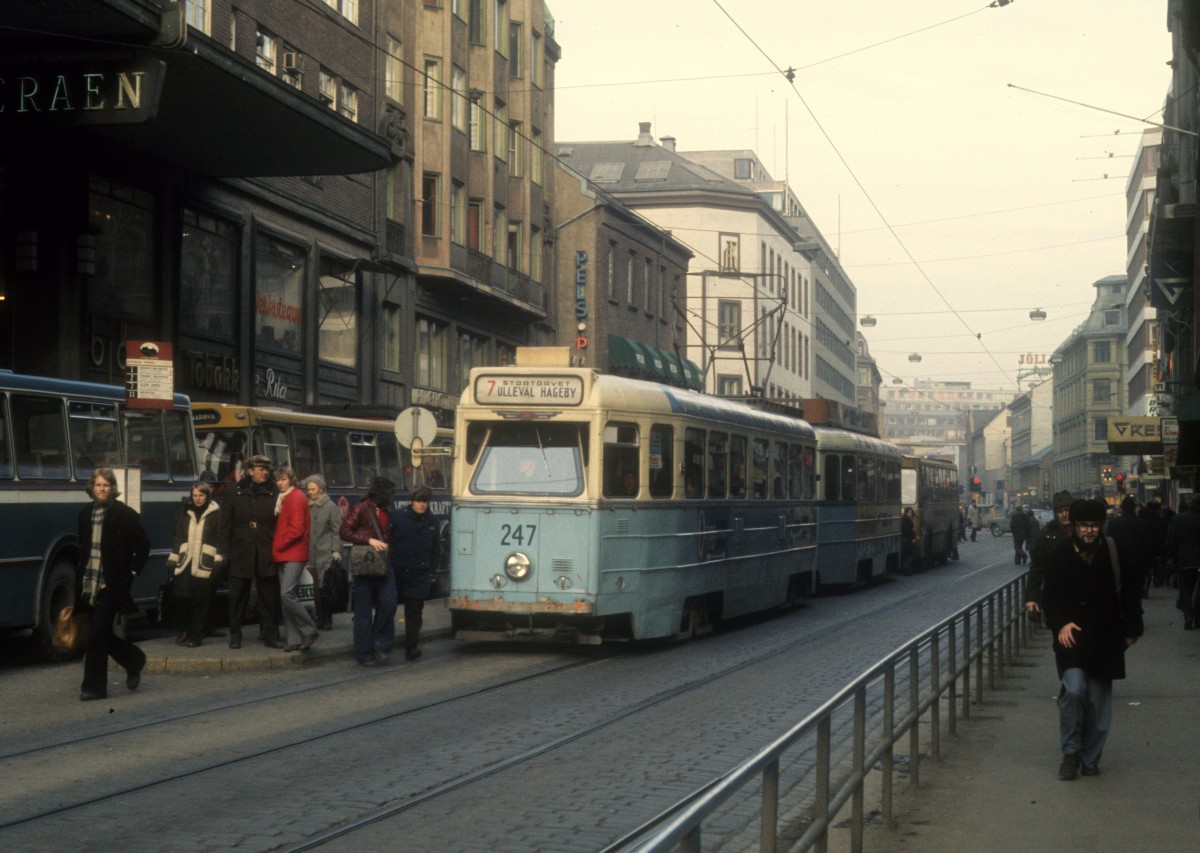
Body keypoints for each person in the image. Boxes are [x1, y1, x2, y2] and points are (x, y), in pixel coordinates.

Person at [1041, 499, 1143, 780]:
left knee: (1099, 702)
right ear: (1074, 527)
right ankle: (1071, 753)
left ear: (1101, 526)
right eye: (1084, 525)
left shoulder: (1114, 552)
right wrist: (1060, 623)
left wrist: (1133, 629)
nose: (1089, 530)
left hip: (1106, 637)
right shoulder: (1060, 553)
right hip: (1072, 638)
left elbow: (1131, 589)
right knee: (1073, 691)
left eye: (1094, 525)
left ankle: (1090, 758)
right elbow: (1049, 596)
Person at [76, 468, 149, 701]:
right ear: (92, 488)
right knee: (100, 633)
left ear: (113, 488)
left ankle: (93, 688)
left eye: (106, 485)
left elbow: (143, 544)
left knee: (97, 635)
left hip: (112, 584)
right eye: (98, 485)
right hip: (89, 582)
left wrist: (132, 572)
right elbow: (84, 548)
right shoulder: (85, 514)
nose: (102, 489)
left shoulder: (124, 514)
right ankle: (133, 660)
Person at [219, 454, 284, 650]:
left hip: (266, 548)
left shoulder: (274, 491)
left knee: (269, 596)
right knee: (238, 595)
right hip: (241, 549)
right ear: (250, 470)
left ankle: (270, 635)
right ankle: (236, 635)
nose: (265, 472)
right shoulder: (234, 491)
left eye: (267, 468)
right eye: (260, 468)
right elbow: (225, 524)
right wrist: (224, 551)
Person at [341, 476, 397, 666]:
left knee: (389, 601)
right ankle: (365, 653)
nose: (392, 497)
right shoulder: (362, 508)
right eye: (391, 493)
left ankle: (381, 643)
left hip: (384, 561)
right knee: (363, 610)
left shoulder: (386, 510)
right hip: (366, 562)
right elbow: (345, 531)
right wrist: (369, 540)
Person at [389, 485, 443, 661]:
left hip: (419, 573)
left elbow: (436, 549)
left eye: (425, 502)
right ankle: (384, 643)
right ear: (412, 501)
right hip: (398, 571)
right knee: (388, 608)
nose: (422, 505)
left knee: (414, 612)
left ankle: (411, 647)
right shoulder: (398, 517)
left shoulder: (433, 522)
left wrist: (430, 569)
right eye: (419, 501)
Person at [167, 482, 224, 647]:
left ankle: (195, 637)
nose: (198, 499)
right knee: (181, 595)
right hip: (186, 560)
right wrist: (173, 557)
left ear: (207, 496)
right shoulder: (186, 512)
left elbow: (221, 538)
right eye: (195, 496)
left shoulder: (216, 513)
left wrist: (218, 559)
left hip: (205, 562)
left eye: (201, 495)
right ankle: (186, 629)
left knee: (201, 600)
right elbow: (178, 536)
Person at [274, 467, 317, 652]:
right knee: (287, 598)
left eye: (283, 479)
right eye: (278, 480)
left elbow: (297, 529)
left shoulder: (295, 497)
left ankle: (309, 629)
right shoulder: (286, 497)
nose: (280, 483)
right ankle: (294, 639)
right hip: (286, 553)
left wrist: (279, 544)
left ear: (290, 480)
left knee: (287, 594)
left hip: (292, 553)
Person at [1026, 490, 1075, 619]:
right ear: (1055, 513)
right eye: (1060, 511)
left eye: (1067, 510)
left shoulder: (1084, 530)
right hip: (1057, 597)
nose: (1064, 514)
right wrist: (1032, 598)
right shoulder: (1046, 535)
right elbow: (1036, 568)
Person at [304, 474, 343, 631]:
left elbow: (336, 530)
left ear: (321, 489)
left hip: (325, 553)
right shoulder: (306, 505)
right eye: (308, 489)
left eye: (313, 489)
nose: (310, 492)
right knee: (313, 588)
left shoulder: (330, 506)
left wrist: (336, 550)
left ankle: (327, 619)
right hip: (309, 553)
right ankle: (317, 618)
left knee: (325, 587)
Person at [1107, 496, 1154, 605]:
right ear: (1133, 508)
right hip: (1137, 565)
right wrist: (1149, 566)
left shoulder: (1114, 523)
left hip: (1120, 565)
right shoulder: (1141, 523)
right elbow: (1148, 546)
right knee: (1136, 593)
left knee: (1122, 593)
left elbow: (1109, 544)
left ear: (1122, 508)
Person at [1166, 495, 1200, 630]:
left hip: (1184, 561)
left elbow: (1173, 541)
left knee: (1186, 589)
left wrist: (1173, 558)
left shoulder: (1178, 519)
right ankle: (1198, 618)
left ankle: (1188, 615)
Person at [900, 507, 919, 574]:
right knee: (914, 554)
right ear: (906, 513)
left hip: (906, 540)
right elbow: (908, 532)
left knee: (906, 555)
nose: (910, 514)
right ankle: (906, 567)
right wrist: (912, 540)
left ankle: (906, 568)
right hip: (907, 541)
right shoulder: (906, 520)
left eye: (911, 512)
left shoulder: (907, 519)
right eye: (909, 512)